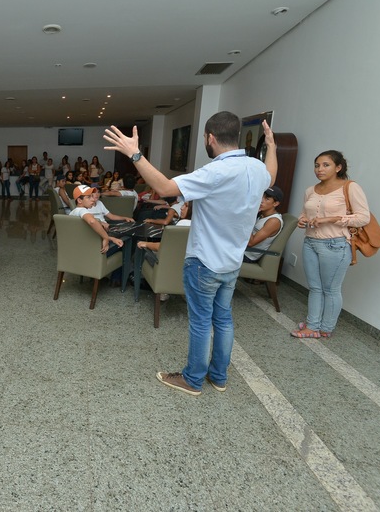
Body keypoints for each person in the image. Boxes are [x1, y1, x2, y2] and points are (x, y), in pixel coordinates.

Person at [104, 111, 277, 396]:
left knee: (200, 322)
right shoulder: (257, 169)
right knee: (223, 319)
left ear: (210, 138)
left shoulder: (215, 172)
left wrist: (135, 155)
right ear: (235, 136)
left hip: (205, 261)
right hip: (232, 262)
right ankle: (218, 377)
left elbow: (164, 188)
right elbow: (272, 173)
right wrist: (270, 145)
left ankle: (193, 379)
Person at [292, 151, 370, 339]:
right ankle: (313, 325)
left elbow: (363, 218)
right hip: (310, 242)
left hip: (335, 245)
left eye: (326, 165)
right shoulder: (310, 190)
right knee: (315, 287)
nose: (319, 169)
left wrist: (332, 219)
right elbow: (304, 213)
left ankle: (326, 328)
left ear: (338, 167)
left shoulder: (350, 187)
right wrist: (302, 220)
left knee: (330, 289)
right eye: (317, 165)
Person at [69, 185, 124, 255]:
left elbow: (89, 234)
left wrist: (111, 238)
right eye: (88, 197)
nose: (92, 199)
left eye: (92, 196)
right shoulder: (82, 210)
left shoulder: (73, 212)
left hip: (81, 248)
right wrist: (106, 238)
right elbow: (92, 221)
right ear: (79, 200)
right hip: (93, 250)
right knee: (123, 244)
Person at [243, 186, 284, 263]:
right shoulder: (262, 214)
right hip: (241, 249)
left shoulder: (274, 221)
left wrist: (249, 218)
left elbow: (251, 243)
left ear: (275, 203)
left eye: (267, 199)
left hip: (247, 255)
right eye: (262, 197)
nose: (261, 201)